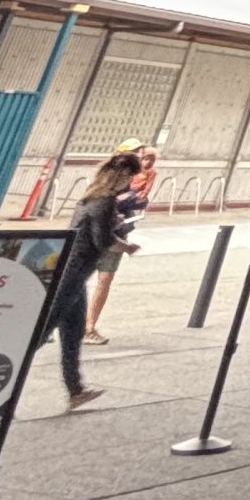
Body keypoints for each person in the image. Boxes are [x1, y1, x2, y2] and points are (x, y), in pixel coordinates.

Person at [40, 150, 138, 410]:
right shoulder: (105, 201)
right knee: (42, 331)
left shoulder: (89, 196)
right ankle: (4, 386)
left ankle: (76, 390)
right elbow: (102, 241)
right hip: (75, 273)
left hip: (73, 271)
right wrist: (126, 244)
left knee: (73, 333)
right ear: (123, 175)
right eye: (129, 177)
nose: (129, 184)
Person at [83, 142, 154, 344]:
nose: (140, 157)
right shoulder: (103, 191)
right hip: (99, 241)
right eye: (135, 153)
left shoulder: (138, 177)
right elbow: (102, 232)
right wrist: (126, 246)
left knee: (103, 281)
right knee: (77, 284)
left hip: (117, 234)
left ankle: (89, 327)